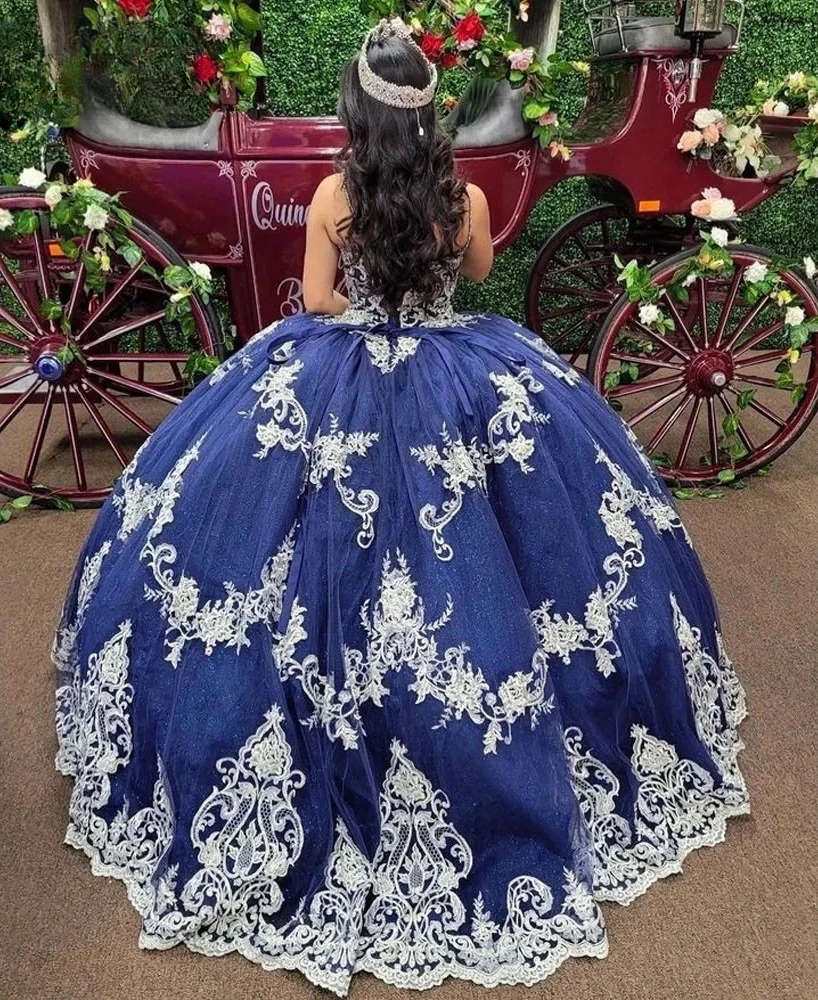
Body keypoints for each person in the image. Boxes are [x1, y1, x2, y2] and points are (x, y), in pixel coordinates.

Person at [54, 18, 748, 995]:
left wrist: (359, 307)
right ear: (430, 121)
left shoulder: (336, 194)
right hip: (459, 371)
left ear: (356, 115)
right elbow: (473, 276)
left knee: (260, 547)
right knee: (503, 558)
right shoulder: (459, 195)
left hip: (335, 374)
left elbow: (315, 297)